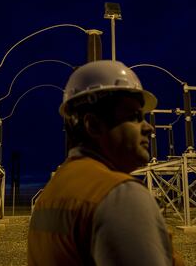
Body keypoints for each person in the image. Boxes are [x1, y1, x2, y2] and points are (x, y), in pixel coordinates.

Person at [28, 60, 184, 265]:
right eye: (134, 117)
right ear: (93, 125)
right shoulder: (119, 195)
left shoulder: (50, 194)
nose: (149, 128)